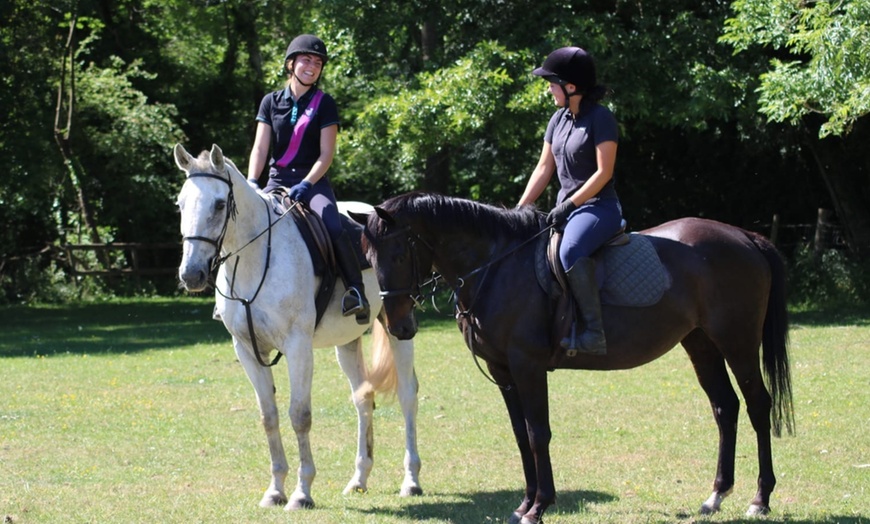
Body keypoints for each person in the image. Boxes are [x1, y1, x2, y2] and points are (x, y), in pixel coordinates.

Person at [247, 34, 369, 324]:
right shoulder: (270, 102)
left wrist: (307, 183)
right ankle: (234, 295)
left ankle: (356, 290)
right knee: (245, 223)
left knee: (332, 223)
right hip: (276, 182)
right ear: (291, 64)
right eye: (306, 60)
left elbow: (326, 155)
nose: (312, 67)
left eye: (317, 63)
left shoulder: (324, 104)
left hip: (312, 183)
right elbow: (261, 148)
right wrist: (253, 181)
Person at [516, 46, 623, 355]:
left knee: (571, 250)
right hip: (567, 210)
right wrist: (520, 209)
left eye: (552, 83)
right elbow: (543, 168)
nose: (549, 89)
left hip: (599, 208)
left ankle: (594, 331)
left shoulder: (601, 119)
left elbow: (603, 173)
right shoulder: (558, 119)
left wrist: (570, 204)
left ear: (571, 87)